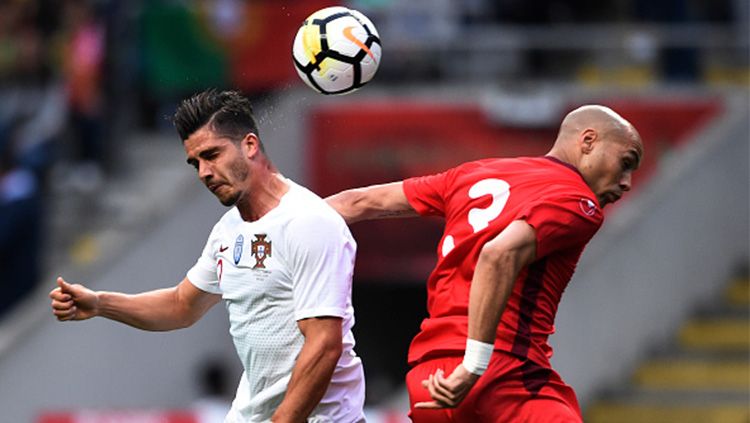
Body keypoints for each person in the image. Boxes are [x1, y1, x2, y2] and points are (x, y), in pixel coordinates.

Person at [49, 89, 366, 423]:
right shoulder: (227, 230)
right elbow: (181, 305)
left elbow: (324, 344)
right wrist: (100, 303)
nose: (203, 172)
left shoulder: (308, 220)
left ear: (250, 145)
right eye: (195, 163)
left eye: (212, 155)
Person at [326, 105, 644, 422]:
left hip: (430, 381)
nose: (626, 182)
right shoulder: (578, 201)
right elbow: (497, 255)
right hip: (501, 375)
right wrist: (474, 365)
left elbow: (356, 202)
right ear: (588, 141)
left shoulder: (471, 174)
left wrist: (279, 230)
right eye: (625, 163)